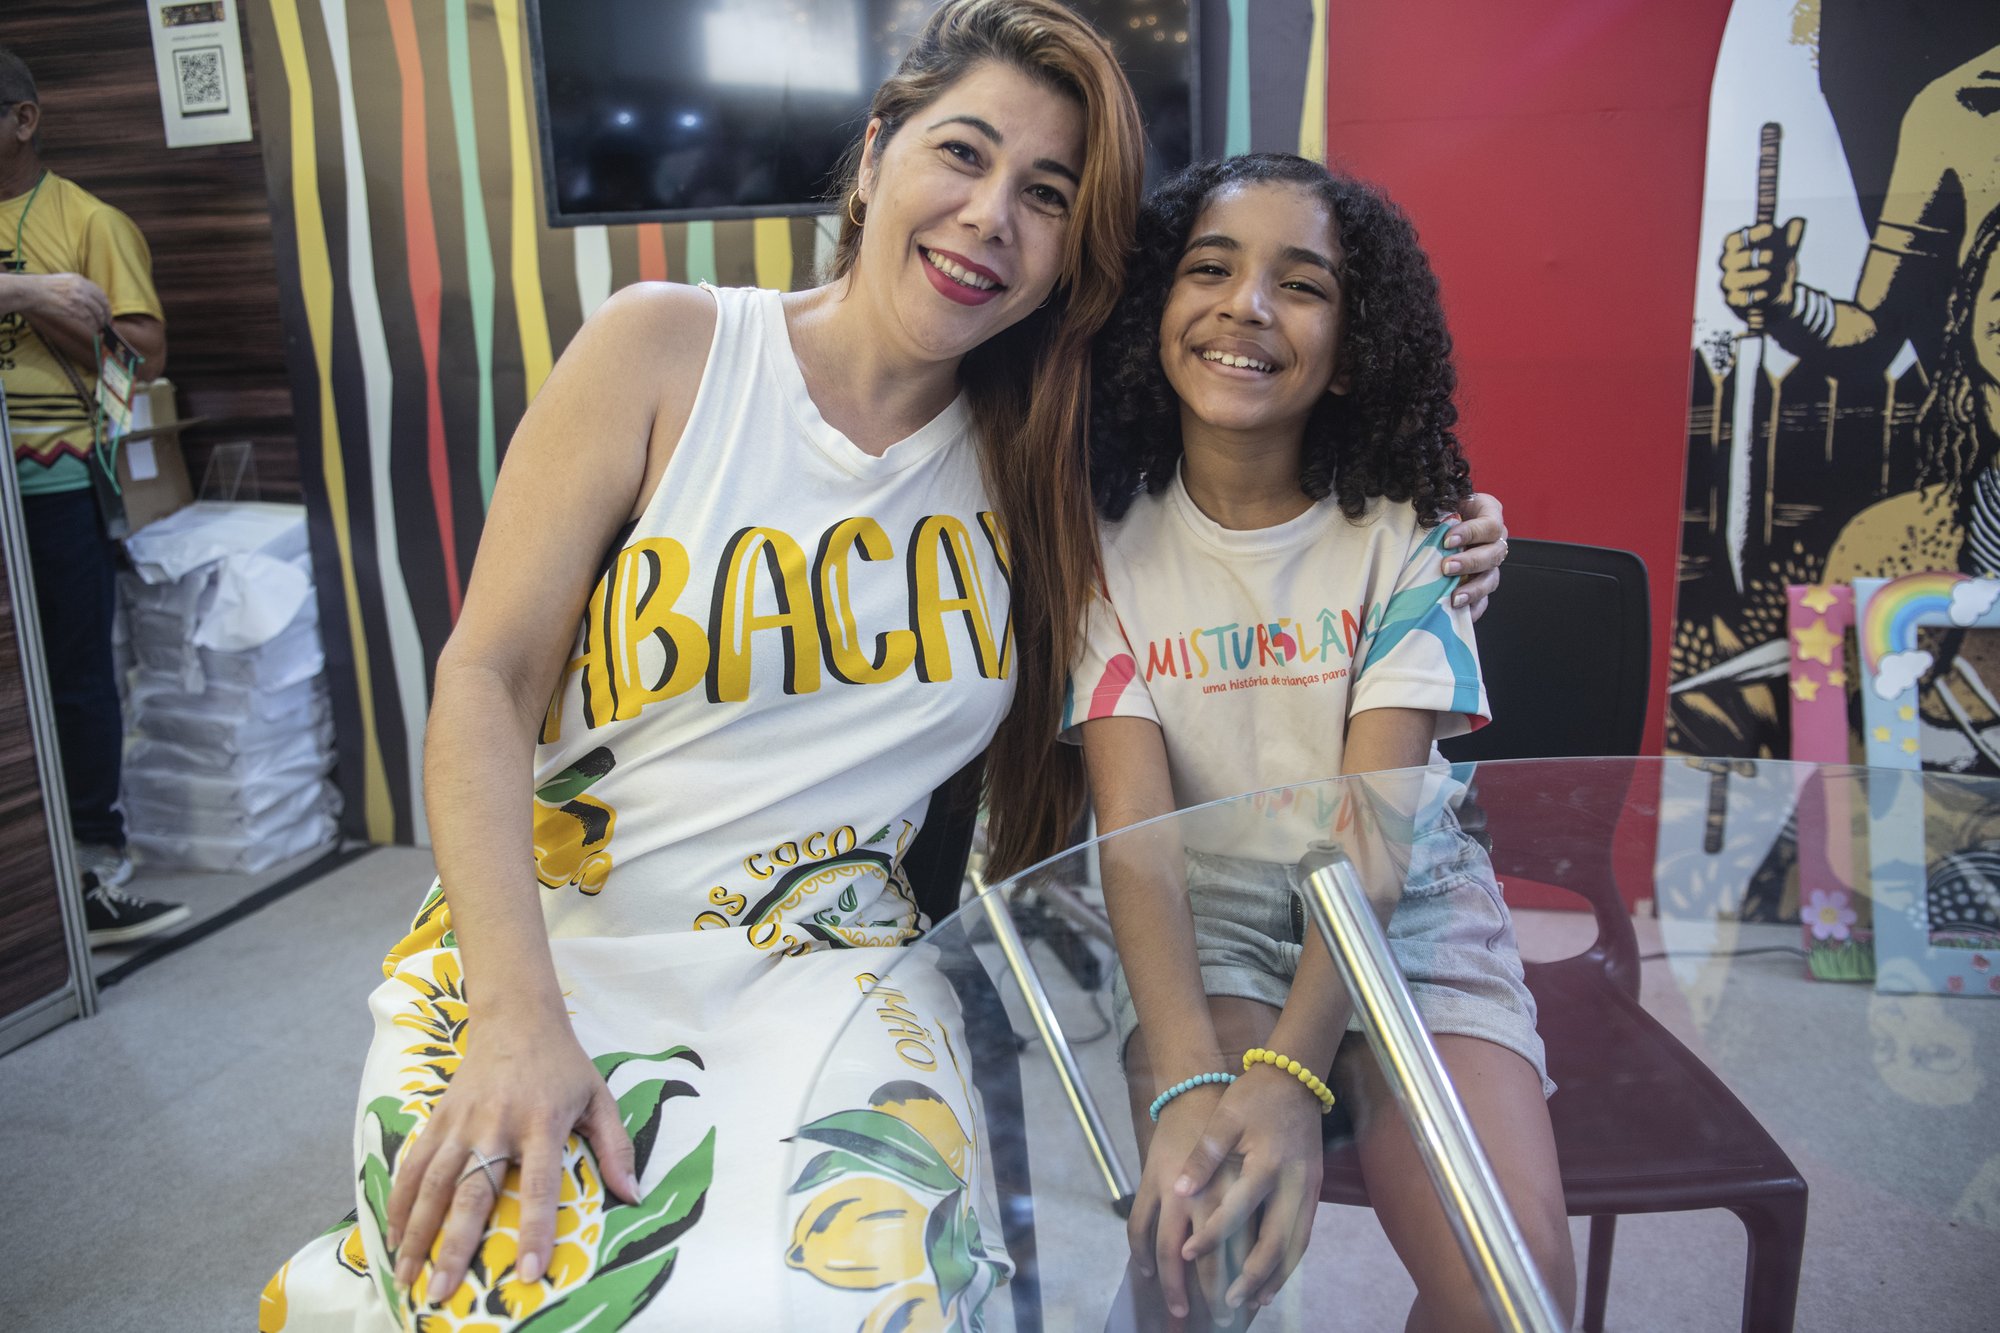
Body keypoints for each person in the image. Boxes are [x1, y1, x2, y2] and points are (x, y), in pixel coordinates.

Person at [262, 5, 1515, 1327]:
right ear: (874, 153)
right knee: (510, 1286)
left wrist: (1457, 527)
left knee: (850, 1299)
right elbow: (485, 679)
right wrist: (517, 1020)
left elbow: (1252, 483)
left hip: (832, 971)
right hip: (552, 939)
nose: (990, 215)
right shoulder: (666, 350)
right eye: (961, 153)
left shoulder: (1050, 462)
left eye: (1046, 195)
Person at [1070, 153, 1572, 1330]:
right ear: (1154, 308)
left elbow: (1372, 840)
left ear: (1353, 348)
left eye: (1300, 285)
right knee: (1191, 1251)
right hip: (1208, 907)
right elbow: (1136, 837)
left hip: (1406, 907)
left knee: (1511, 1284)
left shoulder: (1417, 534)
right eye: (1208, 269)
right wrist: (1190, 1084)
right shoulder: (1097, 544)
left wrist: (1294, 1075)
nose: (1245, 305)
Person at [0, 46, 187, 946]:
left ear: (23, 119)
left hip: (52, 477)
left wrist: (32, 301)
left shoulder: (88, 221)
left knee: (74, 677)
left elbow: (138, 364)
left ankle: (94, 867)